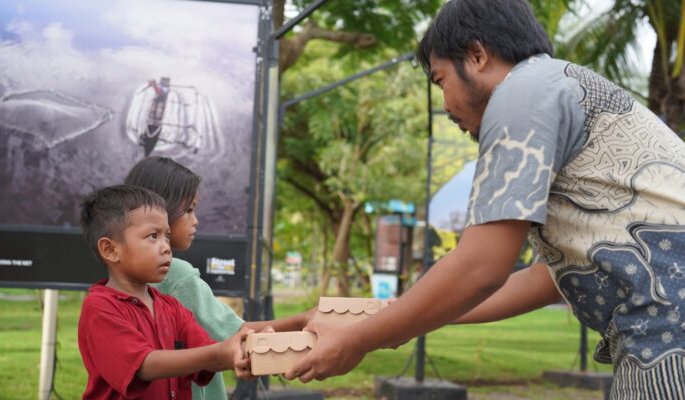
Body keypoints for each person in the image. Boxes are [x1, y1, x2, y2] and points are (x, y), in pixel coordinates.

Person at [284, 1, 685, 398]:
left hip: (667, 337)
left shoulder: (523, 92)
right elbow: (547, 278)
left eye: (441, 81)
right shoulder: (557, 87)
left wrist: (359, 340)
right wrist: (385, 318)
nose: (445, 107)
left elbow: (480, 267)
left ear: (477, 55)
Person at [124, 156, 316, 400]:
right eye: (189, 210)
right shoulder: (176, 275)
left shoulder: (120, 283)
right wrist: (303, 320)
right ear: (161, 211)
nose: (196, 221)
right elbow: (235, 336)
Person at [77, 185, 252, 399]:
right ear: (110, 249)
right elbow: (144, 366)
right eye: (153, 236)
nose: (166, 247)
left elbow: (208, 349)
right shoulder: (100, 308)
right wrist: (221, 353)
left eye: (167, 236)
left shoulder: (171, 307)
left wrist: (246, 349)